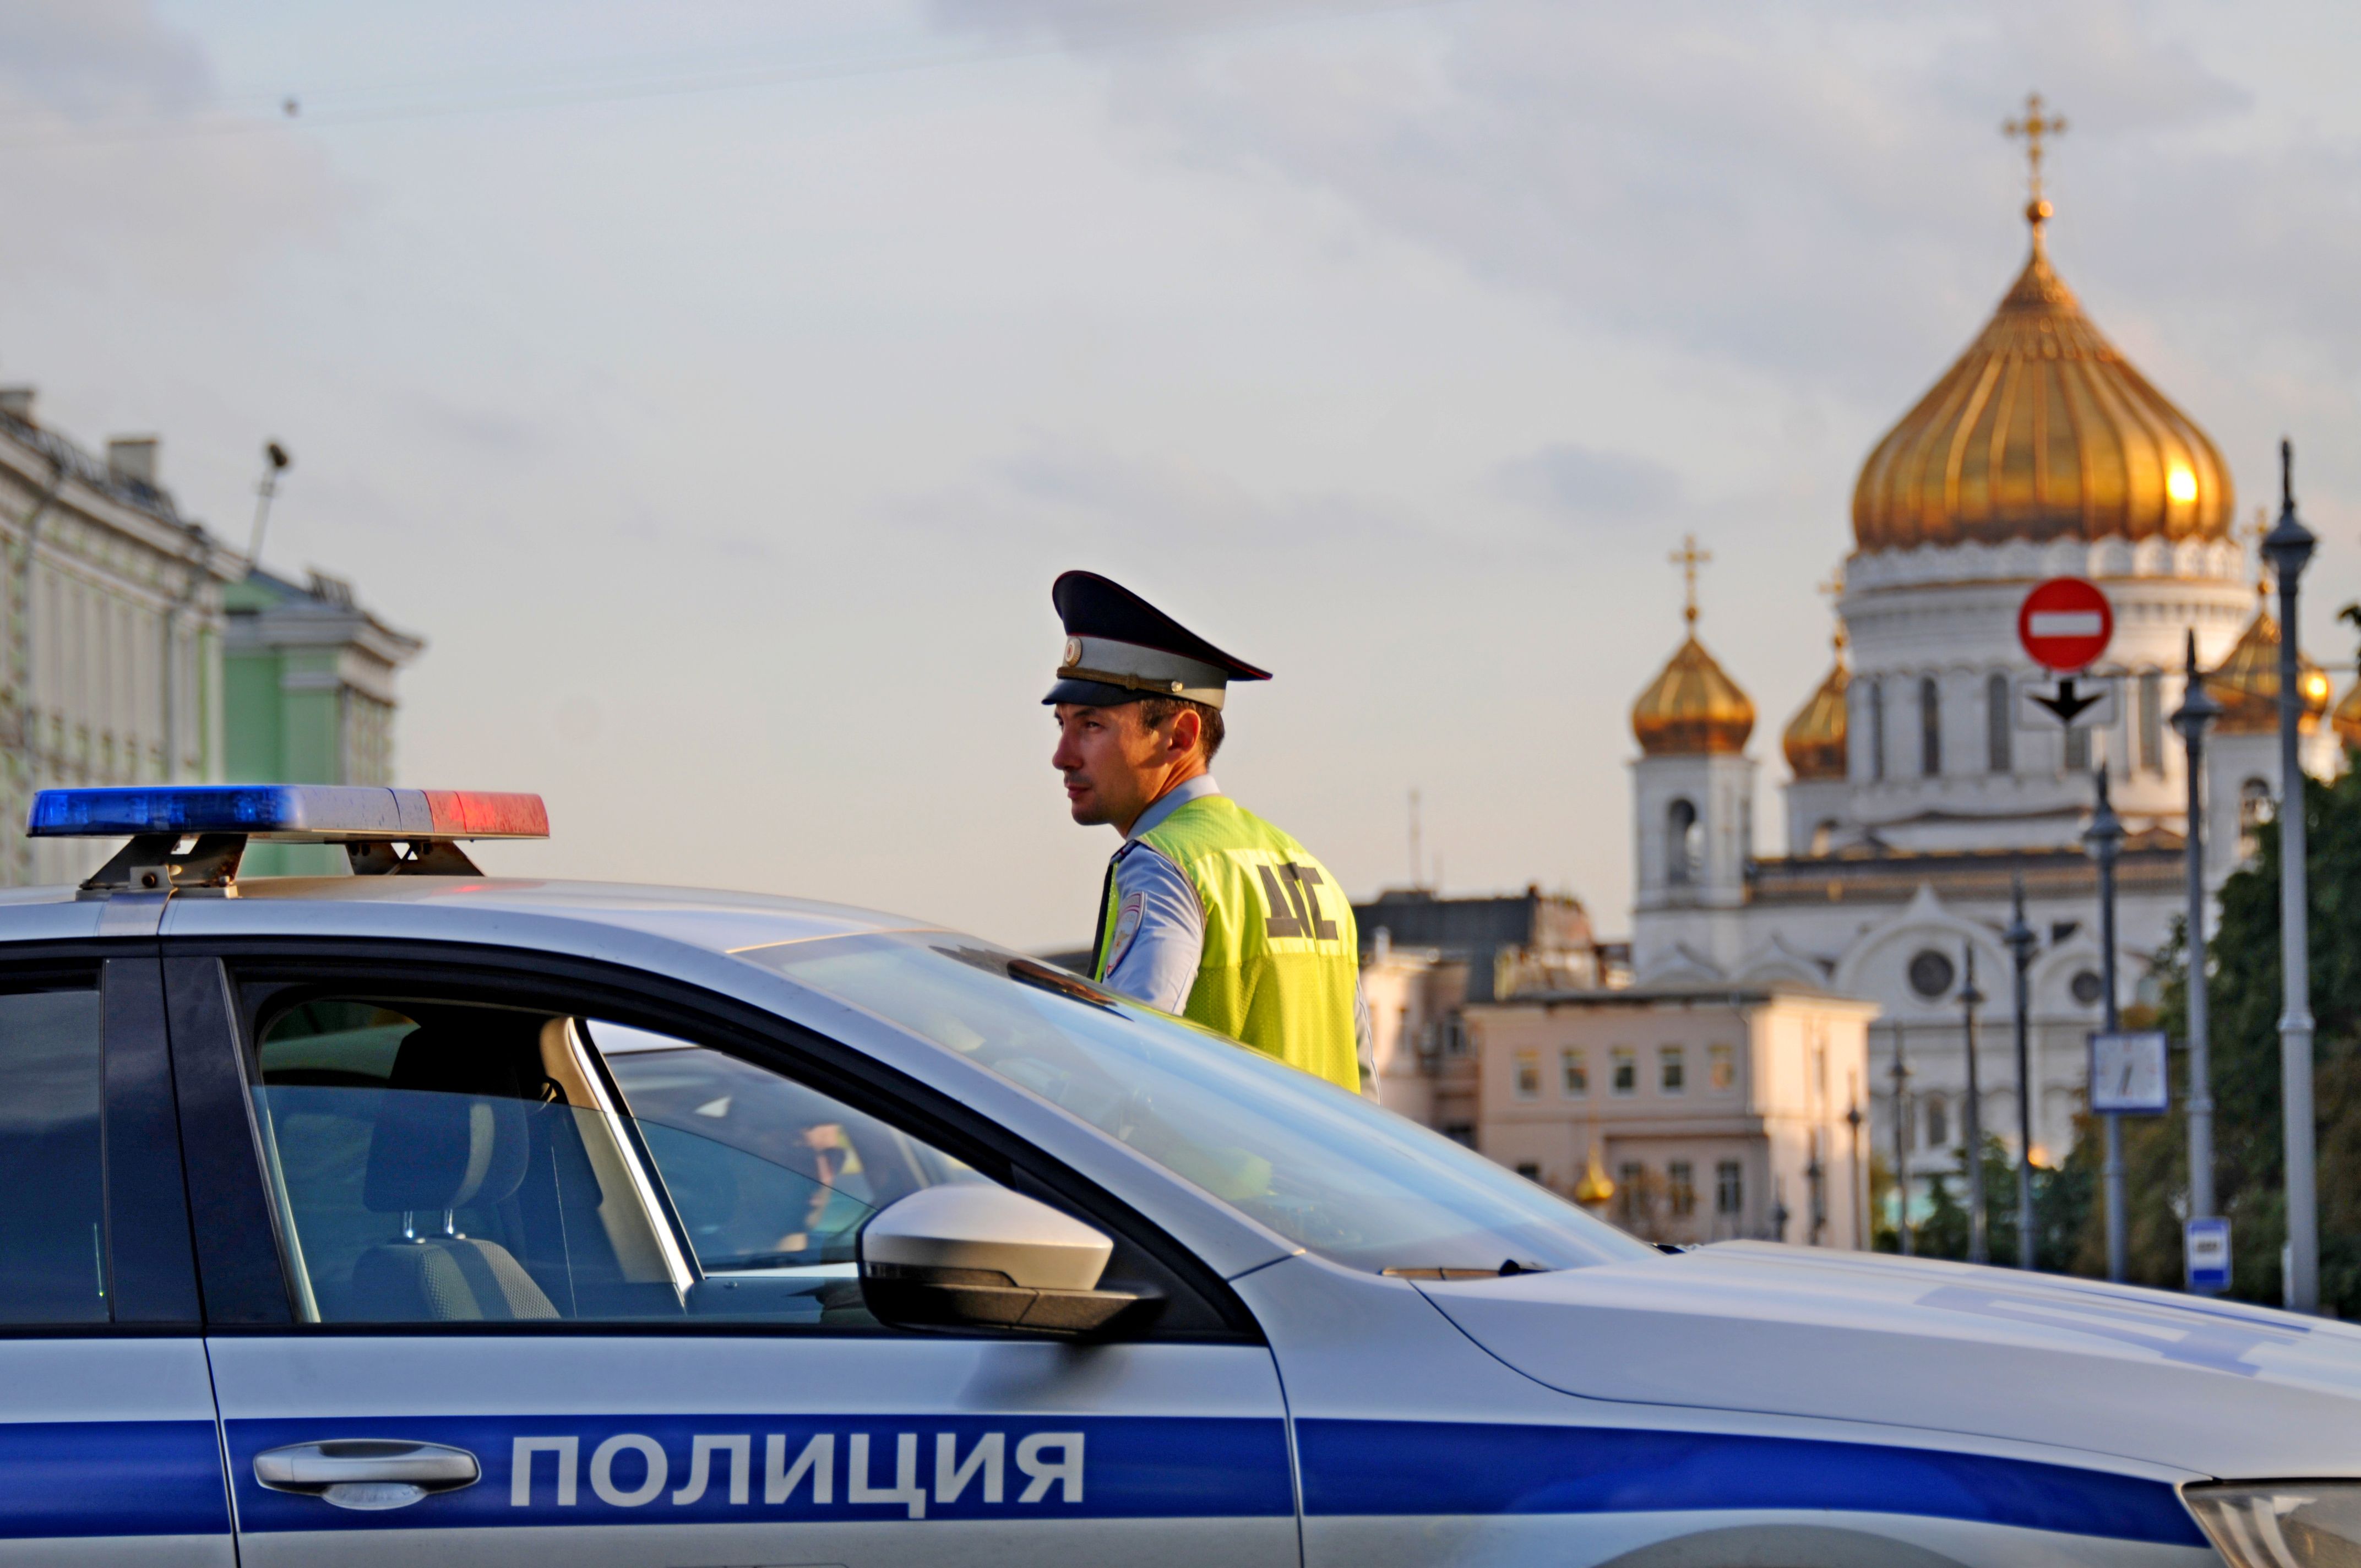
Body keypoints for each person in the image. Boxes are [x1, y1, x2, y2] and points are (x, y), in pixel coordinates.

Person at [1045, 570, 1372, 1095]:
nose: (1062, 756)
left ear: (1180, 737)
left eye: (1091, 726)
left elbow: (1127, 1062)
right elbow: (1366, 1095)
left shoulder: (1163, 863)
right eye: (1061, 725)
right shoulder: (1313, 872)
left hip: (1198, 1181)